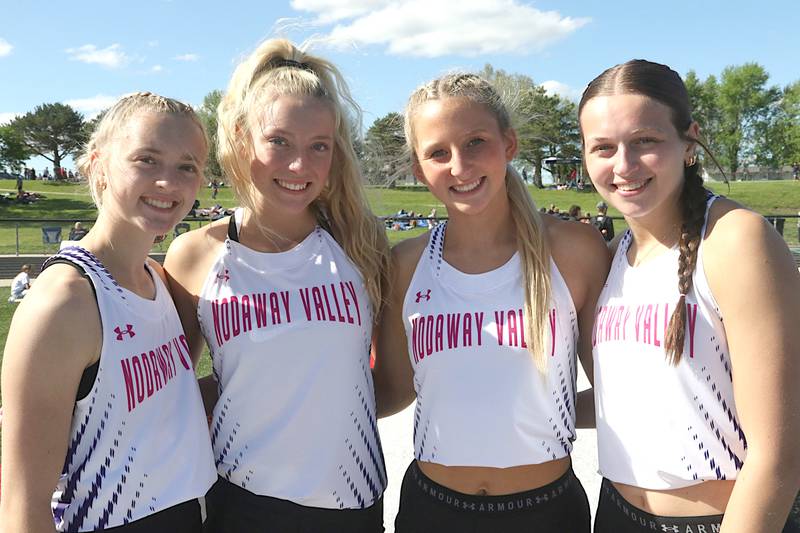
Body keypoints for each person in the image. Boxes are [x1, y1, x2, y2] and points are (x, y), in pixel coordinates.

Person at [164, 38, 390, 532]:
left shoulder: (359, 241)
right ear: (244, 138)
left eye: (318, 147)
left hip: (352, 503)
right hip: (242, 502)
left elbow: (391, 380)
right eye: (279, 142)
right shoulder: (197, 253)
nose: (298, 166)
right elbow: (170, 391)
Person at [373, 72, 609, 532]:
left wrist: (537, 419)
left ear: (509, 145)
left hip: (547, 510)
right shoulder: (406, 263)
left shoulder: (573, 250)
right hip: (433, 508)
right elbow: (394, 390)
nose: (459, 165)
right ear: (420, 171)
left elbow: (615, 388)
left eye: (475, 142)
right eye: (438, 153)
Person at [579, 59, 800, 532]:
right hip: (615, 513)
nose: (624, 166)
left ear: (689, 142)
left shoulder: (736, 240)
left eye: (646, 141)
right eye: (603, 147)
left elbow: (779, 454)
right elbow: (640, 398)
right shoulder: (616, 253)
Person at [0, 92, 217, 532]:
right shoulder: (65, 301)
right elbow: (21, 506)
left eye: (186, 167)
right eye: (146, 159)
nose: (168, 183)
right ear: (98, 166)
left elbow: (162, 407)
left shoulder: (158, 281)